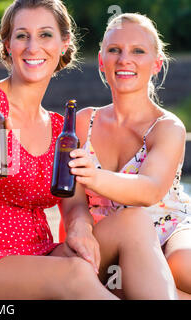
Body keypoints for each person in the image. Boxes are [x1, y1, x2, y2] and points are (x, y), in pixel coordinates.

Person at [0, 0, 177, 300]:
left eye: (45, 35)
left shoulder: (60, 128)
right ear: (7, 45)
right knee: (76, 273)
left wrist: (81, 228)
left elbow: (75, 205)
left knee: (133, 223)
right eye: (21, 36)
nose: (33, 47)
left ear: (63, 43)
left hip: (37, 254)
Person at [65, 13, 191, 299]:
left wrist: (95, 176)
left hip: (170, 226)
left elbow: (149, 189)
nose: (124, 59)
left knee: (183, 265)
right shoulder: (83, 121)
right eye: (114, 50)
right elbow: (71, 201)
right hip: (111, 239)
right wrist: (81, 228)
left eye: (137, 51)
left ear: (156, 63)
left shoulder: (167, 127)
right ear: (101, 60)